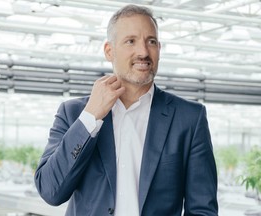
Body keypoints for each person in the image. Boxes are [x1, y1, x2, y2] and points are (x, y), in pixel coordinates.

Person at [34, 4, 218, 216]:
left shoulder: (189, 118)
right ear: (109, 51)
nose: (143, 52)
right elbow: (50, 191)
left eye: (151, 41)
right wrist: (90, 117)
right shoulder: (74, 113)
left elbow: (203, 209)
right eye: (131, 41)